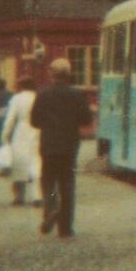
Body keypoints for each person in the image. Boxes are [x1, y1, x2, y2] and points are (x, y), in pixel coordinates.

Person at [30, 58, 91, 238]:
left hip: (49, 145)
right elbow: (86, 120)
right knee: (68, 185)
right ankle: (65, 229)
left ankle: (50, 209)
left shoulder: (42, 94)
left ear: (51, 74)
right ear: (68, 74)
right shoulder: (77, 94)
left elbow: (34, 121)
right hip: (70, 145)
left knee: (48, 180)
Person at [0, 76, 41, 206]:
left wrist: (5, 135)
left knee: (19, 163)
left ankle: (19, 196)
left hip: (21, 131)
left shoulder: (16, 99)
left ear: (20, 86)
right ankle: (37, 196)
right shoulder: (38, 97)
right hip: (37, 130)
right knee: (36, 162)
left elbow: (10, 119)